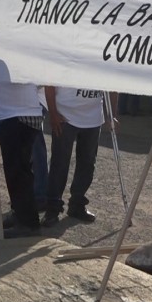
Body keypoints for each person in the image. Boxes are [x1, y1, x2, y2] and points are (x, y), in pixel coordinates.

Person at [41, 87, 117, 227]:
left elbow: (113, 85)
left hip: (93, 119)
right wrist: (53, 113)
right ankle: (52, 208)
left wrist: (111, 114)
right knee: (59, 164)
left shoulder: (105, 63)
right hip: (65, 116)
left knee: (87, 164)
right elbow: (50, 83)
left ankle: (77, 204)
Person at [0, 81, 44, 238]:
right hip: (11, 115)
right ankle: (20, 214)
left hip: (17, 116)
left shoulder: (12, 59)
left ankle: (28, 223)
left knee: (18, 173)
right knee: (18, 171)